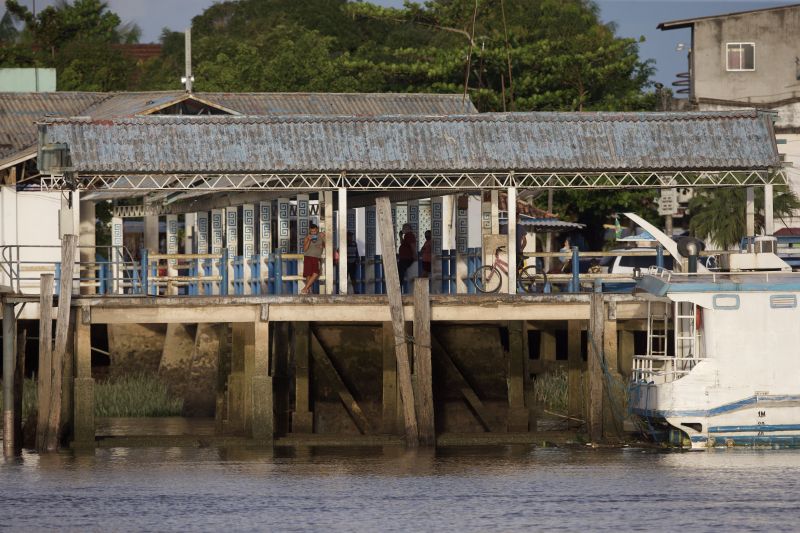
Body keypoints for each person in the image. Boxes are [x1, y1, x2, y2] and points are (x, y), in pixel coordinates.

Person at [301, 223, 324, 294]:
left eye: (314, 231)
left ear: (317, 230)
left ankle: (305, 288)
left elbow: (326, 244)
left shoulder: (321, 236)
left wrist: (322, 246)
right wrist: (309, 240)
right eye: (312, 231)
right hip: (308, 256)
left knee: (316, 273)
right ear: (310, 231)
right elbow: (305, 249)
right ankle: (308, 290)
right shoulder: (307, 237)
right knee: (308, 274)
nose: (313, 233)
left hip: (316, 257)